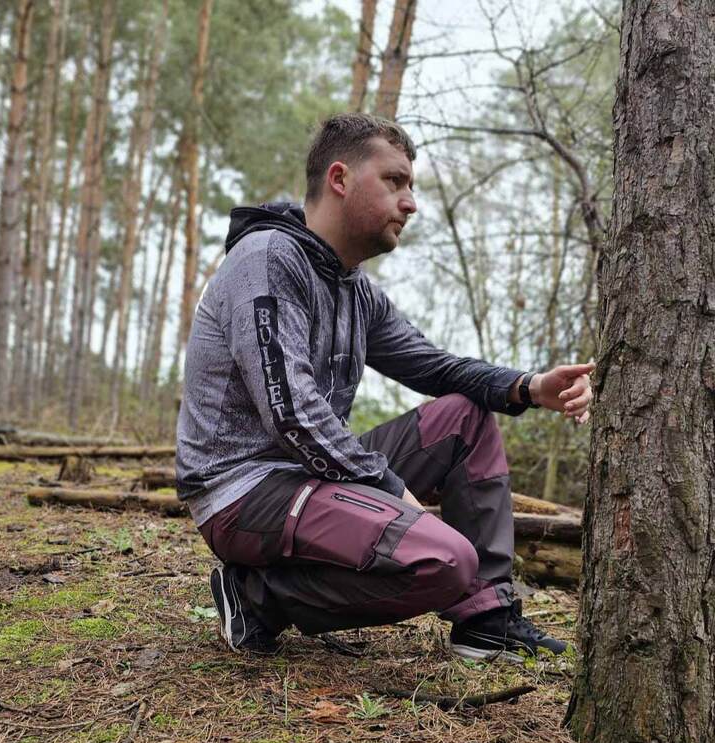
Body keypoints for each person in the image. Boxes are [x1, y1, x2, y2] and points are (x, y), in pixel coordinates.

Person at [175, 113, 593, 662]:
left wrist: (529, 386)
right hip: (242, 491)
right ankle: (257, 598)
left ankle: (485, 617)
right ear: (340, 179)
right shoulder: (267, 261)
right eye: (395, 181)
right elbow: (292, 412)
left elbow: (434, 367)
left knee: (465, 417)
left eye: (411, 186)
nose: (410, 203)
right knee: (445, 560)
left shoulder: (355, 289)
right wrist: (390, 489)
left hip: (312, 475)